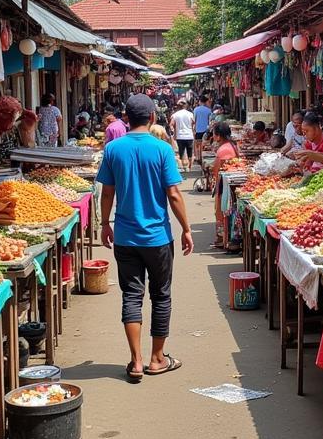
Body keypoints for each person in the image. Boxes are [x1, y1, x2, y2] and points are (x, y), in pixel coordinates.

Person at [98, 94, 193, 382]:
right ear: (152, 118)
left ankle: (136, 361)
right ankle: (157, 358)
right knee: (161, 295)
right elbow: (174, 194)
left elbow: (107, 192)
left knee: (132, 296)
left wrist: (104, 223)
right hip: (157, 238)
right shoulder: (162, 149)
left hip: (126, 237)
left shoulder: (113, 149)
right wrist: (186, 229)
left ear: (126, 118)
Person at [211, 121, 241, 252]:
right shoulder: (233, 145)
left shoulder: (222, 150)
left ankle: (223, 239)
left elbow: (216, 170)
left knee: (222, 211)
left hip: (224, 185)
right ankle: (227, 238)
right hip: (230, 183)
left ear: (218, 136)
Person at [169, 98, 195, 170]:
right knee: (190, 152)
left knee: (181, 152)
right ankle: (189, 167)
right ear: (185, 106)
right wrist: (192, 130)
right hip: (189, 135)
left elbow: (171, 124)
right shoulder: (190, 114)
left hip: (180, 136)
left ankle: (183, 167)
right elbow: (193, 123)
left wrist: (173, 132)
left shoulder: (175, 115)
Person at [193, 95, 213, 165]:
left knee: (198, 145)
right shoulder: (209, 110)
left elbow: (194, 120)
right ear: (205, 102)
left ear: (200, 101)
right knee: (204, 145)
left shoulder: (196, 109)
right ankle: (202, 159)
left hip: (198, 130)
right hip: (206, 131)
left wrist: (194, 129)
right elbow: (210, 121)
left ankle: (198, 157)